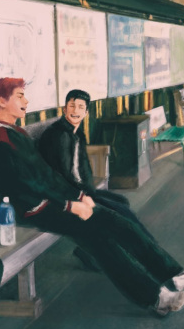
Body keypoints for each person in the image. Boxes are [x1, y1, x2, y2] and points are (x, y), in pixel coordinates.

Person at [0, 77, 184, 316]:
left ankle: (170, 280)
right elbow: (24, 186)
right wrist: (69, 205)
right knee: (101, 233)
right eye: (20, 96)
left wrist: (79, 196)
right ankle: (160, 294)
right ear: (2, 101)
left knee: (113, 225)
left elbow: (47, 176)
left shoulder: (14, 132)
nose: (26, 101)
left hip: (48, 203)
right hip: (32, 210)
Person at [37, 88, 147, 271]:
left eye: (81, 107)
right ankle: (110, 256)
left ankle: (93, 252)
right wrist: (84, 197)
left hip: (79, 190)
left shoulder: (76, 132)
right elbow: (63, 175)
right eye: (71, 106)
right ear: (64, 109)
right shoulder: (59, 136)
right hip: (62, 196)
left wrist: (91, 192)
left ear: (86, 112)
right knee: (118, 213)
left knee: (121, 202)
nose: (75, 110)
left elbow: (84, 168)